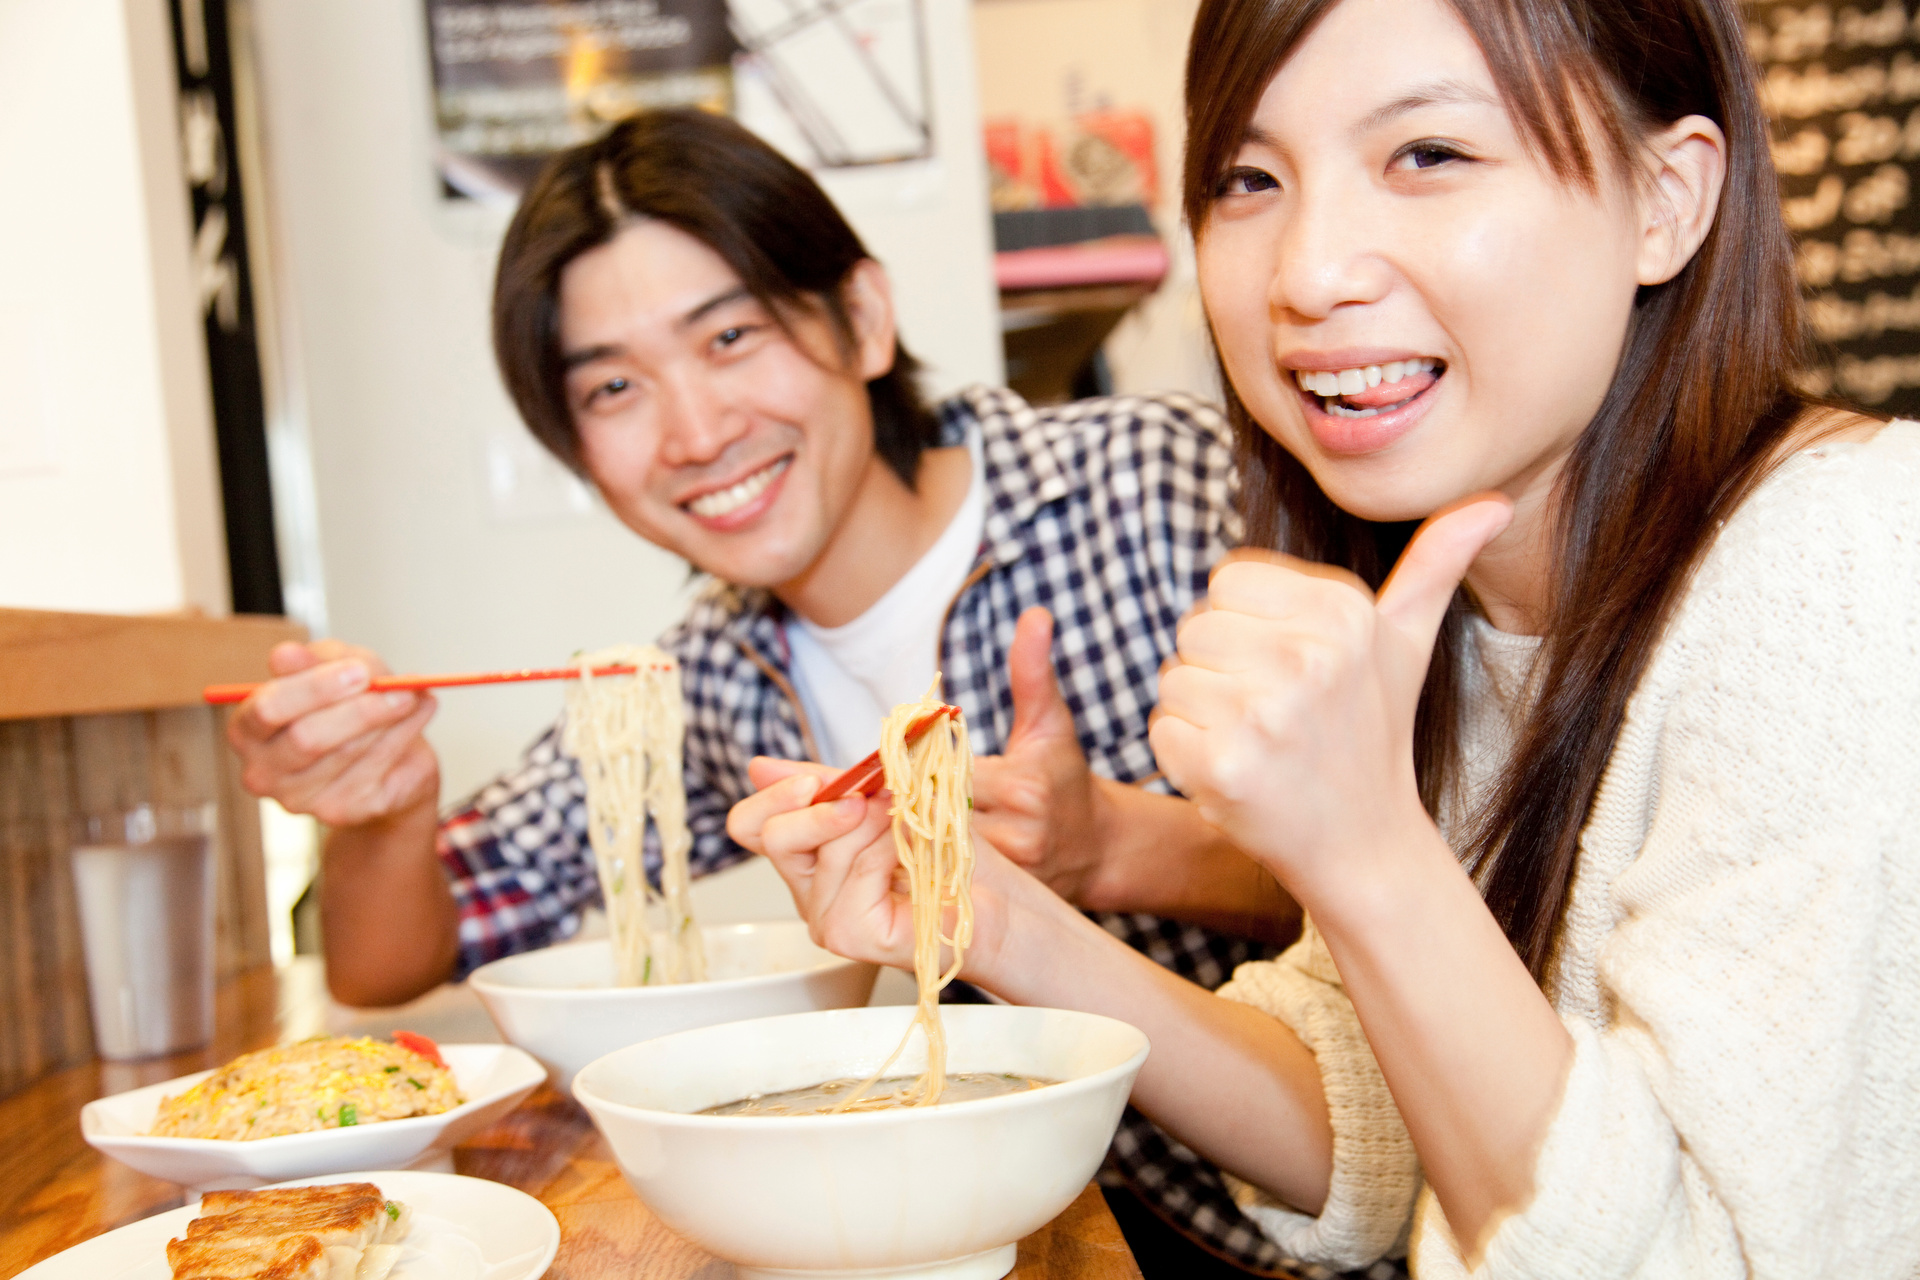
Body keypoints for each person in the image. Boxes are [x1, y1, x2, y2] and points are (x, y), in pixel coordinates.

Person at [732, 0, 1920, 1276]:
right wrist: (993, 922)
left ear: (1666, 199)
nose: (1308, 271)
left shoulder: (1844, 555)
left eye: (1429, 155)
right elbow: (1384, 1142)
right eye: (1249, 178)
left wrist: (1364, 844)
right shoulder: (1460, 598)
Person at [226, 110, 1304, 1271]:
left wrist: (1123, 848)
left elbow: (1462, 882)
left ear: (863, 319)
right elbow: (387, 960)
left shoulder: (1162, 486)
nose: (695, 430)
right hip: (1053, 1231)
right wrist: (380, 802)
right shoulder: (700, 677)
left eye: (731, 335)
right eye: (613, 389)